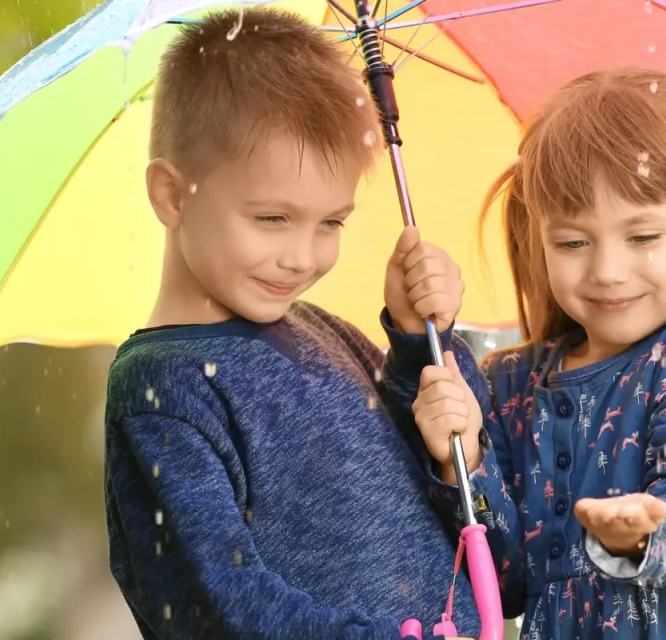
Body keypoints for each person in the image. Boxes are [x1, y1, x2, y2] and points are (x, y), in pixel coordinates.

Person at [103, 7, 477, 639]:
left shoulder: (322, 331)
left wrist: (419, 345)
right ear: (171, 195)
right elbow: (221, 612)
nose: (303, 257)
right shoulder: (163, 392)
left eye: (331, 222)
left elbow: (440, 498)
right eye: (272, 219)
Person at [407, 67, 666, 639]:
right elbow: (507, 582)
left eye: (642, 237)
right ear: (537, 236)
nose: (607, 272)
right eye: (572, 242)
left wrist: (647, 532)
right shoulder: (510, 385)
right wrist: (461, 458)